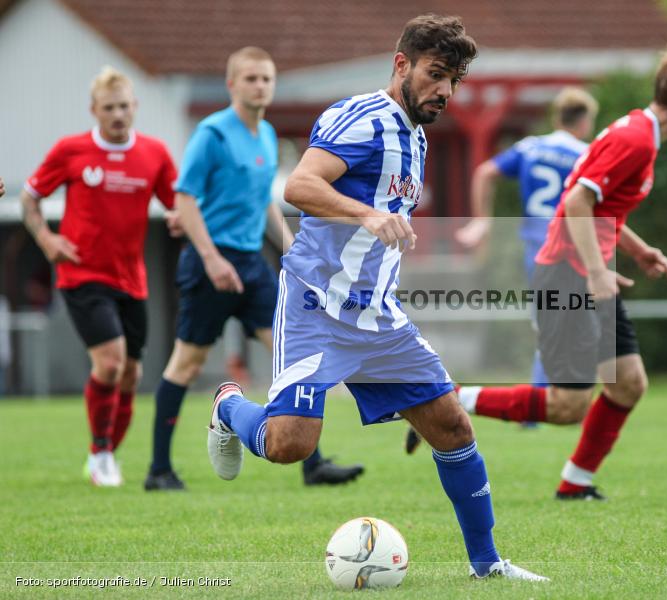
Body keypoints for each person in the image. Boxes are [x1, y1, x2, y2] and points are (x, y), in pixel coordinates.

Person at [206, 15, 547, 581]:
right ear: (401, 65)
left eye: (453, 80)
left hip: (378, 316)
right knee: (290, 445)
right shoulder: (361, 118)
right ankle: (227, 407)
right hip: (316, 306)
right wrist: (367, 214)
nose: (445, 90)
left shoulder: (416, 136)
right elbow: (299, 186)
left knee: (452, 427)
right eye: (435, 74)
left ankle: (487, 565)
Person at [419, 44, 667, 501]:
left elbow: (595, 204)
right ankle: (446, 400)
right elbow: (578, 202)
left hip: (584, 271)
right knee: (567, 405)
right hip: (567, 274)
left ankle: (575, 483)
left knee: (628, 384)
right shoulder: (637, 139)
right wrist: (597, 272)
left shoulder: (638, 131)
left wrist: (637, 250)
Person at [146, 47, 363, 491]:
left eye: (266, 78)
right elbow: (184, 199)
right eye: (251, 78)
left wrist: (294, 250)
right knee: (187, 363)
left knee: (297, 355)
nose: (260, 86)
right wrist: (211, 258)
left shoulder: (266, 134)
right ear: (232, 84)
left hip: (252, 265)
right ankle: (159, 470)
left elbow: (264, 201)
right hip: (210, 262)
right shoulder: (212, 134)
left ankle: (313, 463)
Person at [20, 67, 178, 486]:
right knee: (109, 363)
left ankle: (105, 454)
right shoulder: (71, 150)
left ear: (135, 106)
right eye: (109, 108)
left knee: (130, 375)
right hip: (82, 273)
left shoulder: (155, 153)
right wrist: (47, 240)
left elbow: (176, 202)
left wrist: (181, 218)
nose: (118, 115)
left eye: (124, 106)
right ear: (94, 110)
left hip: (132, 279)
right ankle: (101, 453)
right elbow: (30, 198)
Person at [456, 87, 597, 389]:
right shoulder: (586, 155)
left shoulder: (530, 147)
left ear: (557, 118)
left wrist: (483, 221)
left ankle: (549, 397)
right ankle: (542, 399)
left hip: (535, 247)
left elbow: (484, 173)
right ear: (584, 122)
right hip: (569, 247)